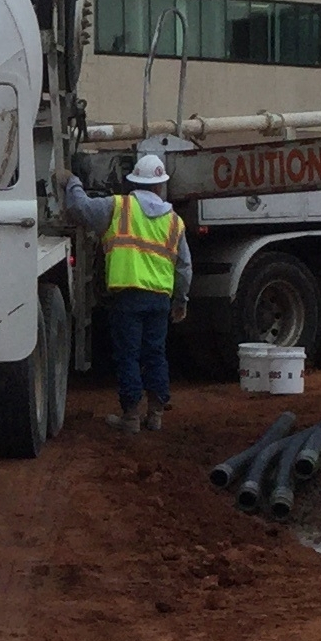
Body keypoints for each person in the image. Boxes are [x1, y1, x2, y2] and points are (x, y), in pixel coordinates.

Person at [63, 151, 192, 431]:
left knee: (128, 355)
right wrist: (180, 301)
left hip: (128, 296)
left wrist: (72, 181)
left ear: (134, 182)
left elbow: (79, 209)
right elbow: (184, 268)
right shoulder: (174, 221)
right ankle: (155, 415)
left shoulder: (118, 207)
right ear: (160, 186)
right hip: (160, 299)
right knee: (155, 353)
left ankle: (131, 416)